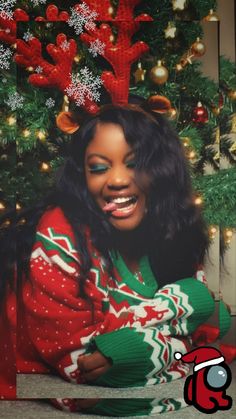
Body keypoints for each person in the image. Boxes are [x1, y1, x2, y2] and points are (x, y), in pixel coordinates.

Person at [0, 103, 229, 415]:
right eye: (98, 167)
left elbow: (201, 312)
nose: (118, 180)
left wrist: (135, 347)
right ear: (82, 176)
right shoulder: (59, 236)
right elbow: (84, 367)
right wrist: (184, 313)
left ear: (162, 172)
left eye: (135, 164)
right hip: (30, 374)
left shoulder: (171, 227)